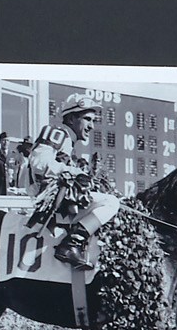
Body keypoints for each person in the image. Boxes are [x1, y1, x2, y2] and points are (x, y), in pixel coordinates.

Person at [25, 94, 121, 270]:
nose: (91, 126)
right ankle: (71, 244)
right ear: (70, 118)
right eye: (87, 119)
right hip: (51, 202)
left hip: (60, 202)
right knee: (111, 203)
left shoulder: (68, 142)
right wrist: (72, 172)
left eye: (93, 121)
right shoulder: (57, 132)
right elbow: (38, 163)